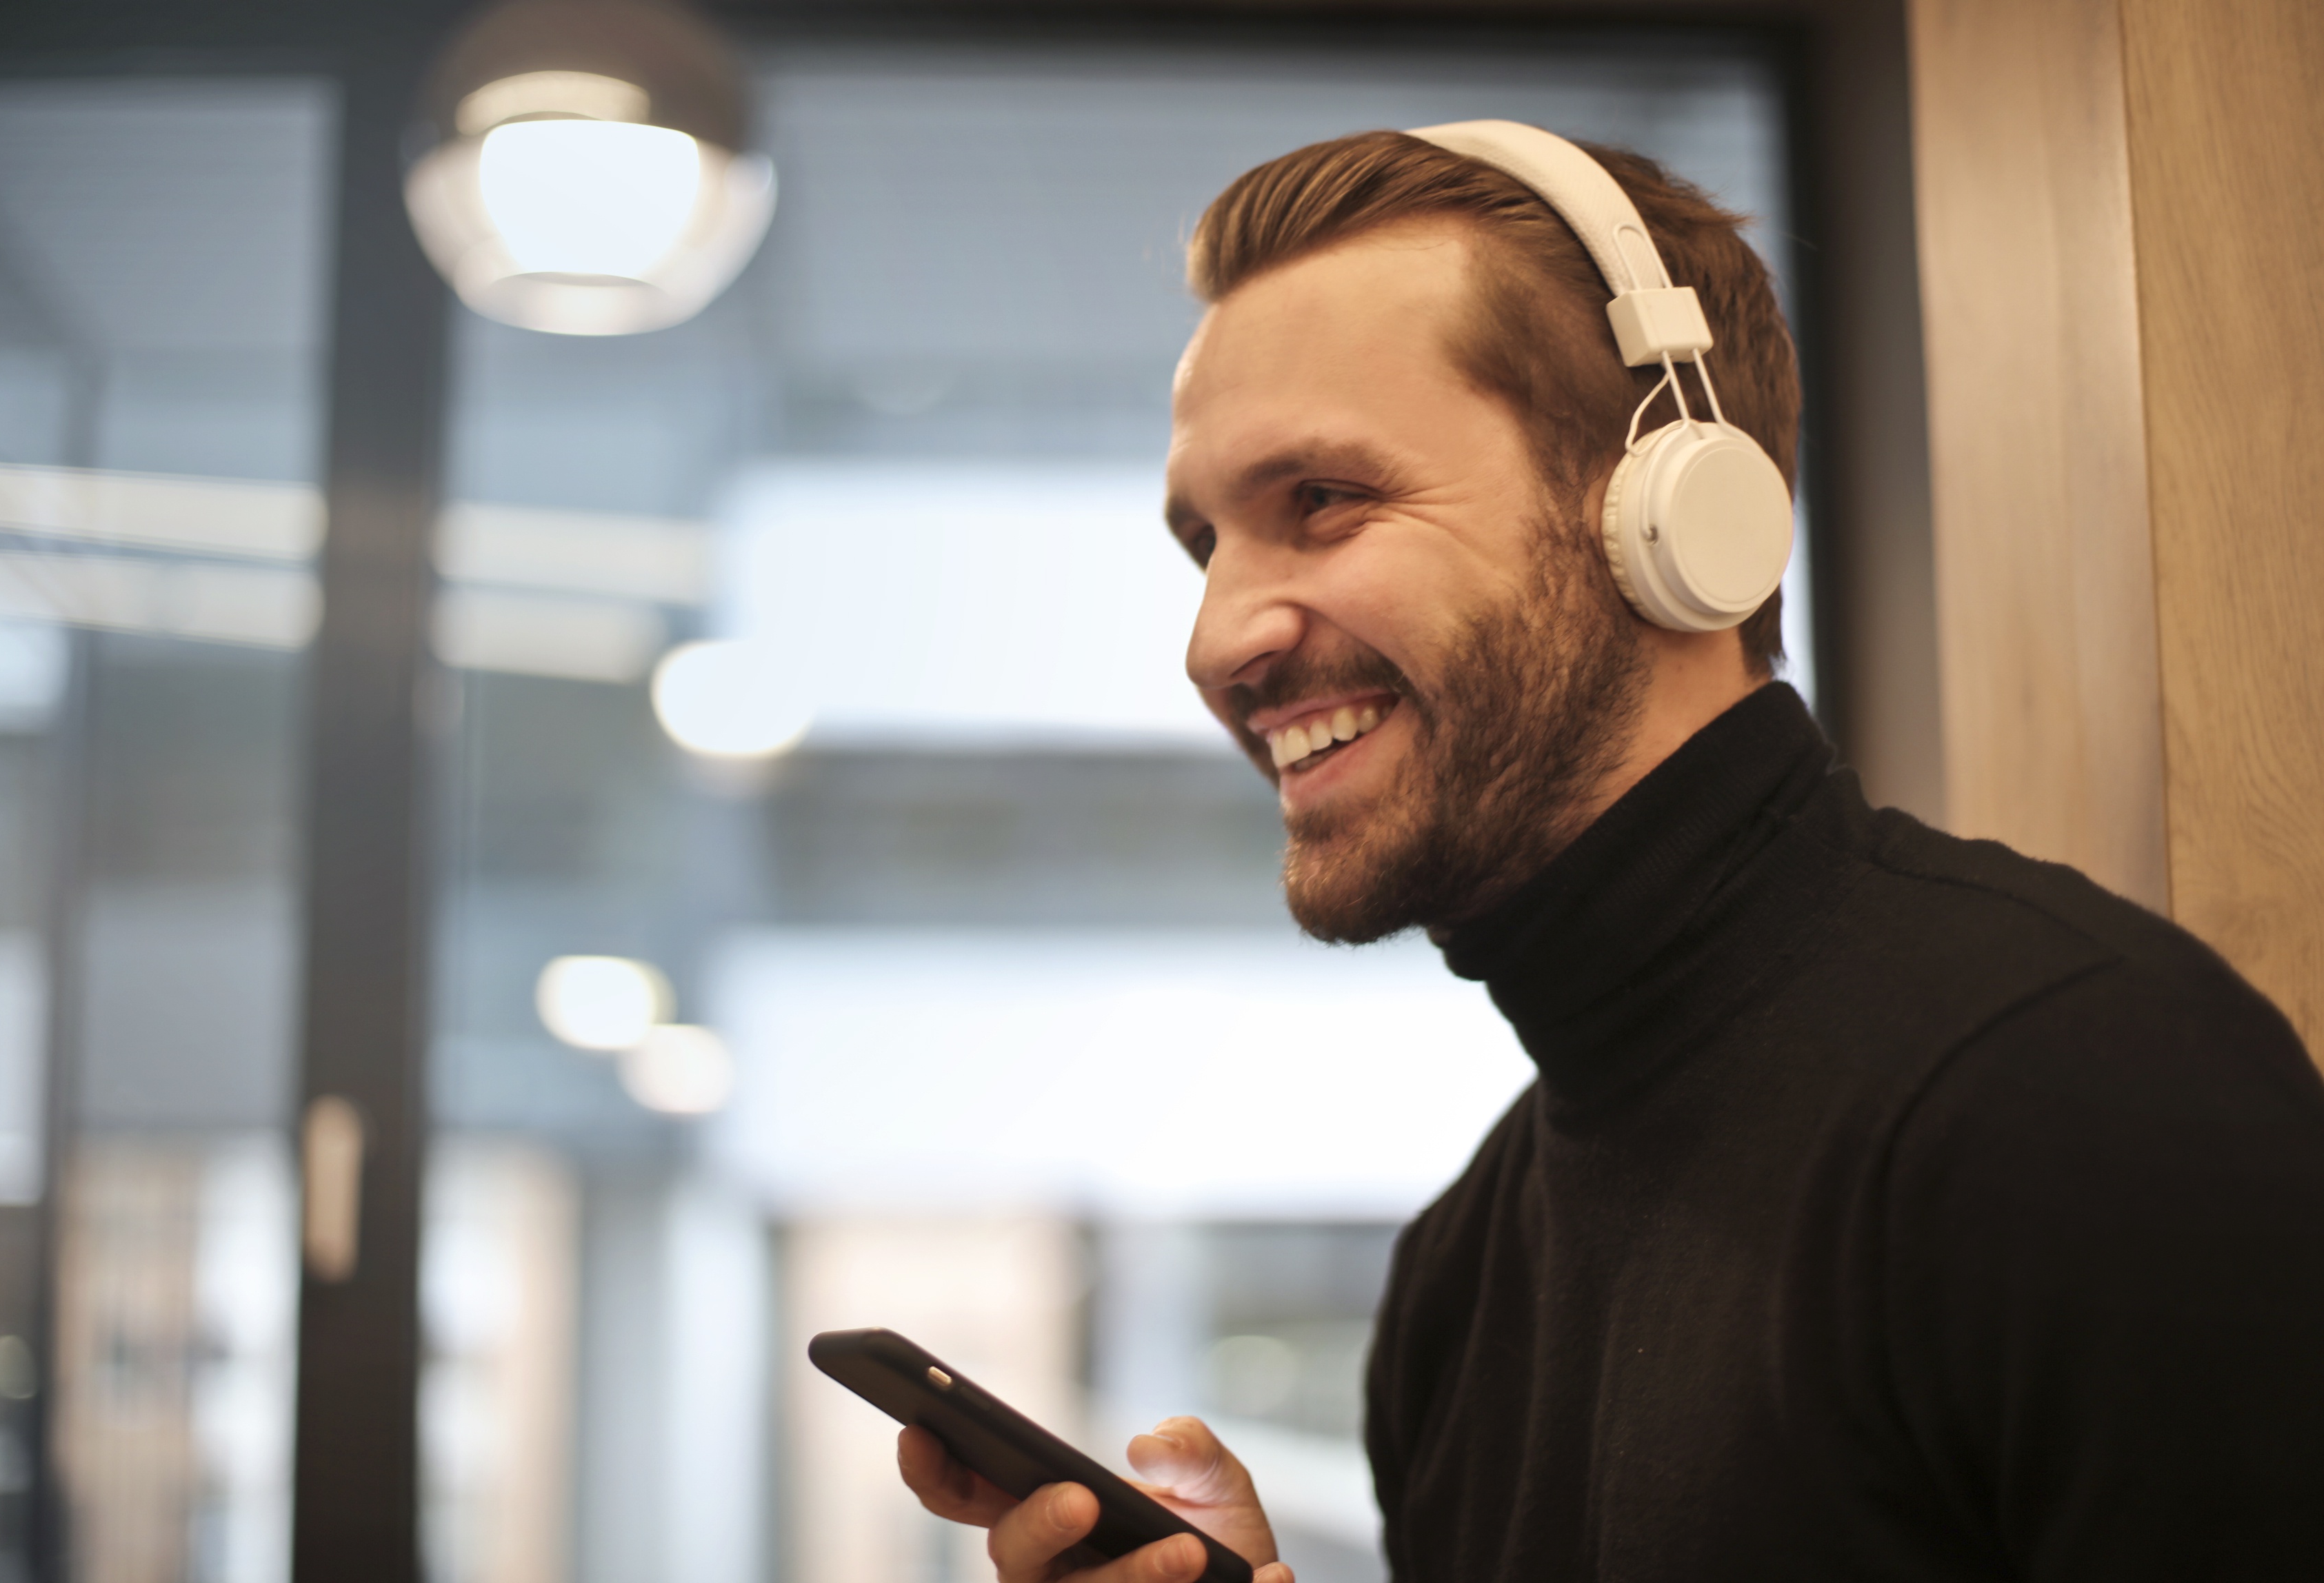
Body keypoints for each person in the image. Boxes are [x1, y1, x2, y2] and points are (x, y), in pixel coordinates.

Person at [898, 122, 2324, 1582]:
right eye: (1208, 545)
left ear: (1675, 510)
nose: (1217, 643)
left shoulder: (2076, 1088)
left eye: (1321, 501)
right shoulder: (1458, 1283)